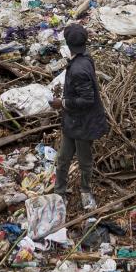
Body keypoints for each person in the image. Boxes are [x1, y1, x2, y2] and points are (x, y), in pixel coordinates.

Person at [54, 24, 107, 208]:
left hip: (84, 123)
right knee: (63, 158)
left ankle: (85, 191)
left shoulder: (78, 68)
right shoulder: (84, 59)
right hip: (72, 121)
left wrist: (62, 103)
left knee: (84, 161)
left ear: (68, 45)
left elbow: (87, 99)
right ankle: (59, 192)